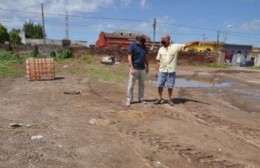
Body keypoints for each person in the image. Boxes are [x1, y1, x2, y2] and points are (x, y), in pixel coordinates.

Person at [154, 34, 198, 106]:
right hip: (162, 70)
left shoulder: (175, 47)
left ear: (169, 40)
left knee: (170, 86)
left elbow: (185, 45)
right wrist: (156, 70)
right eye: (162, 39)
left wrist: (193, 42)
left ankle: (169, 100)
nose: (162, 40)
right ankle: (159, 98)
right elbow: (158, 61)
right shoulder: (160, 49)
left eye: (164, 39)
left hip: (171, 71)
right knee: (160, 85)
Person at [126, 34, 149, 107]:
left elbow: (145, 57)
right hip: (134, 68)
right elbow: (129, 57)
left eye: (143, 40)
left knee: (142, 84)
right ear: (138, 39)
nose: (143, 42)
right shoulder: (133, 45)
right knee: (131, 85)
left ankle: (141, 98)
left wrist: (147, 67)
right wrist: (131, 68)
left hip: (142, 69)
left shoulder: (144, 46)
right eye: (142, 40)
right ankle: (129, 100)